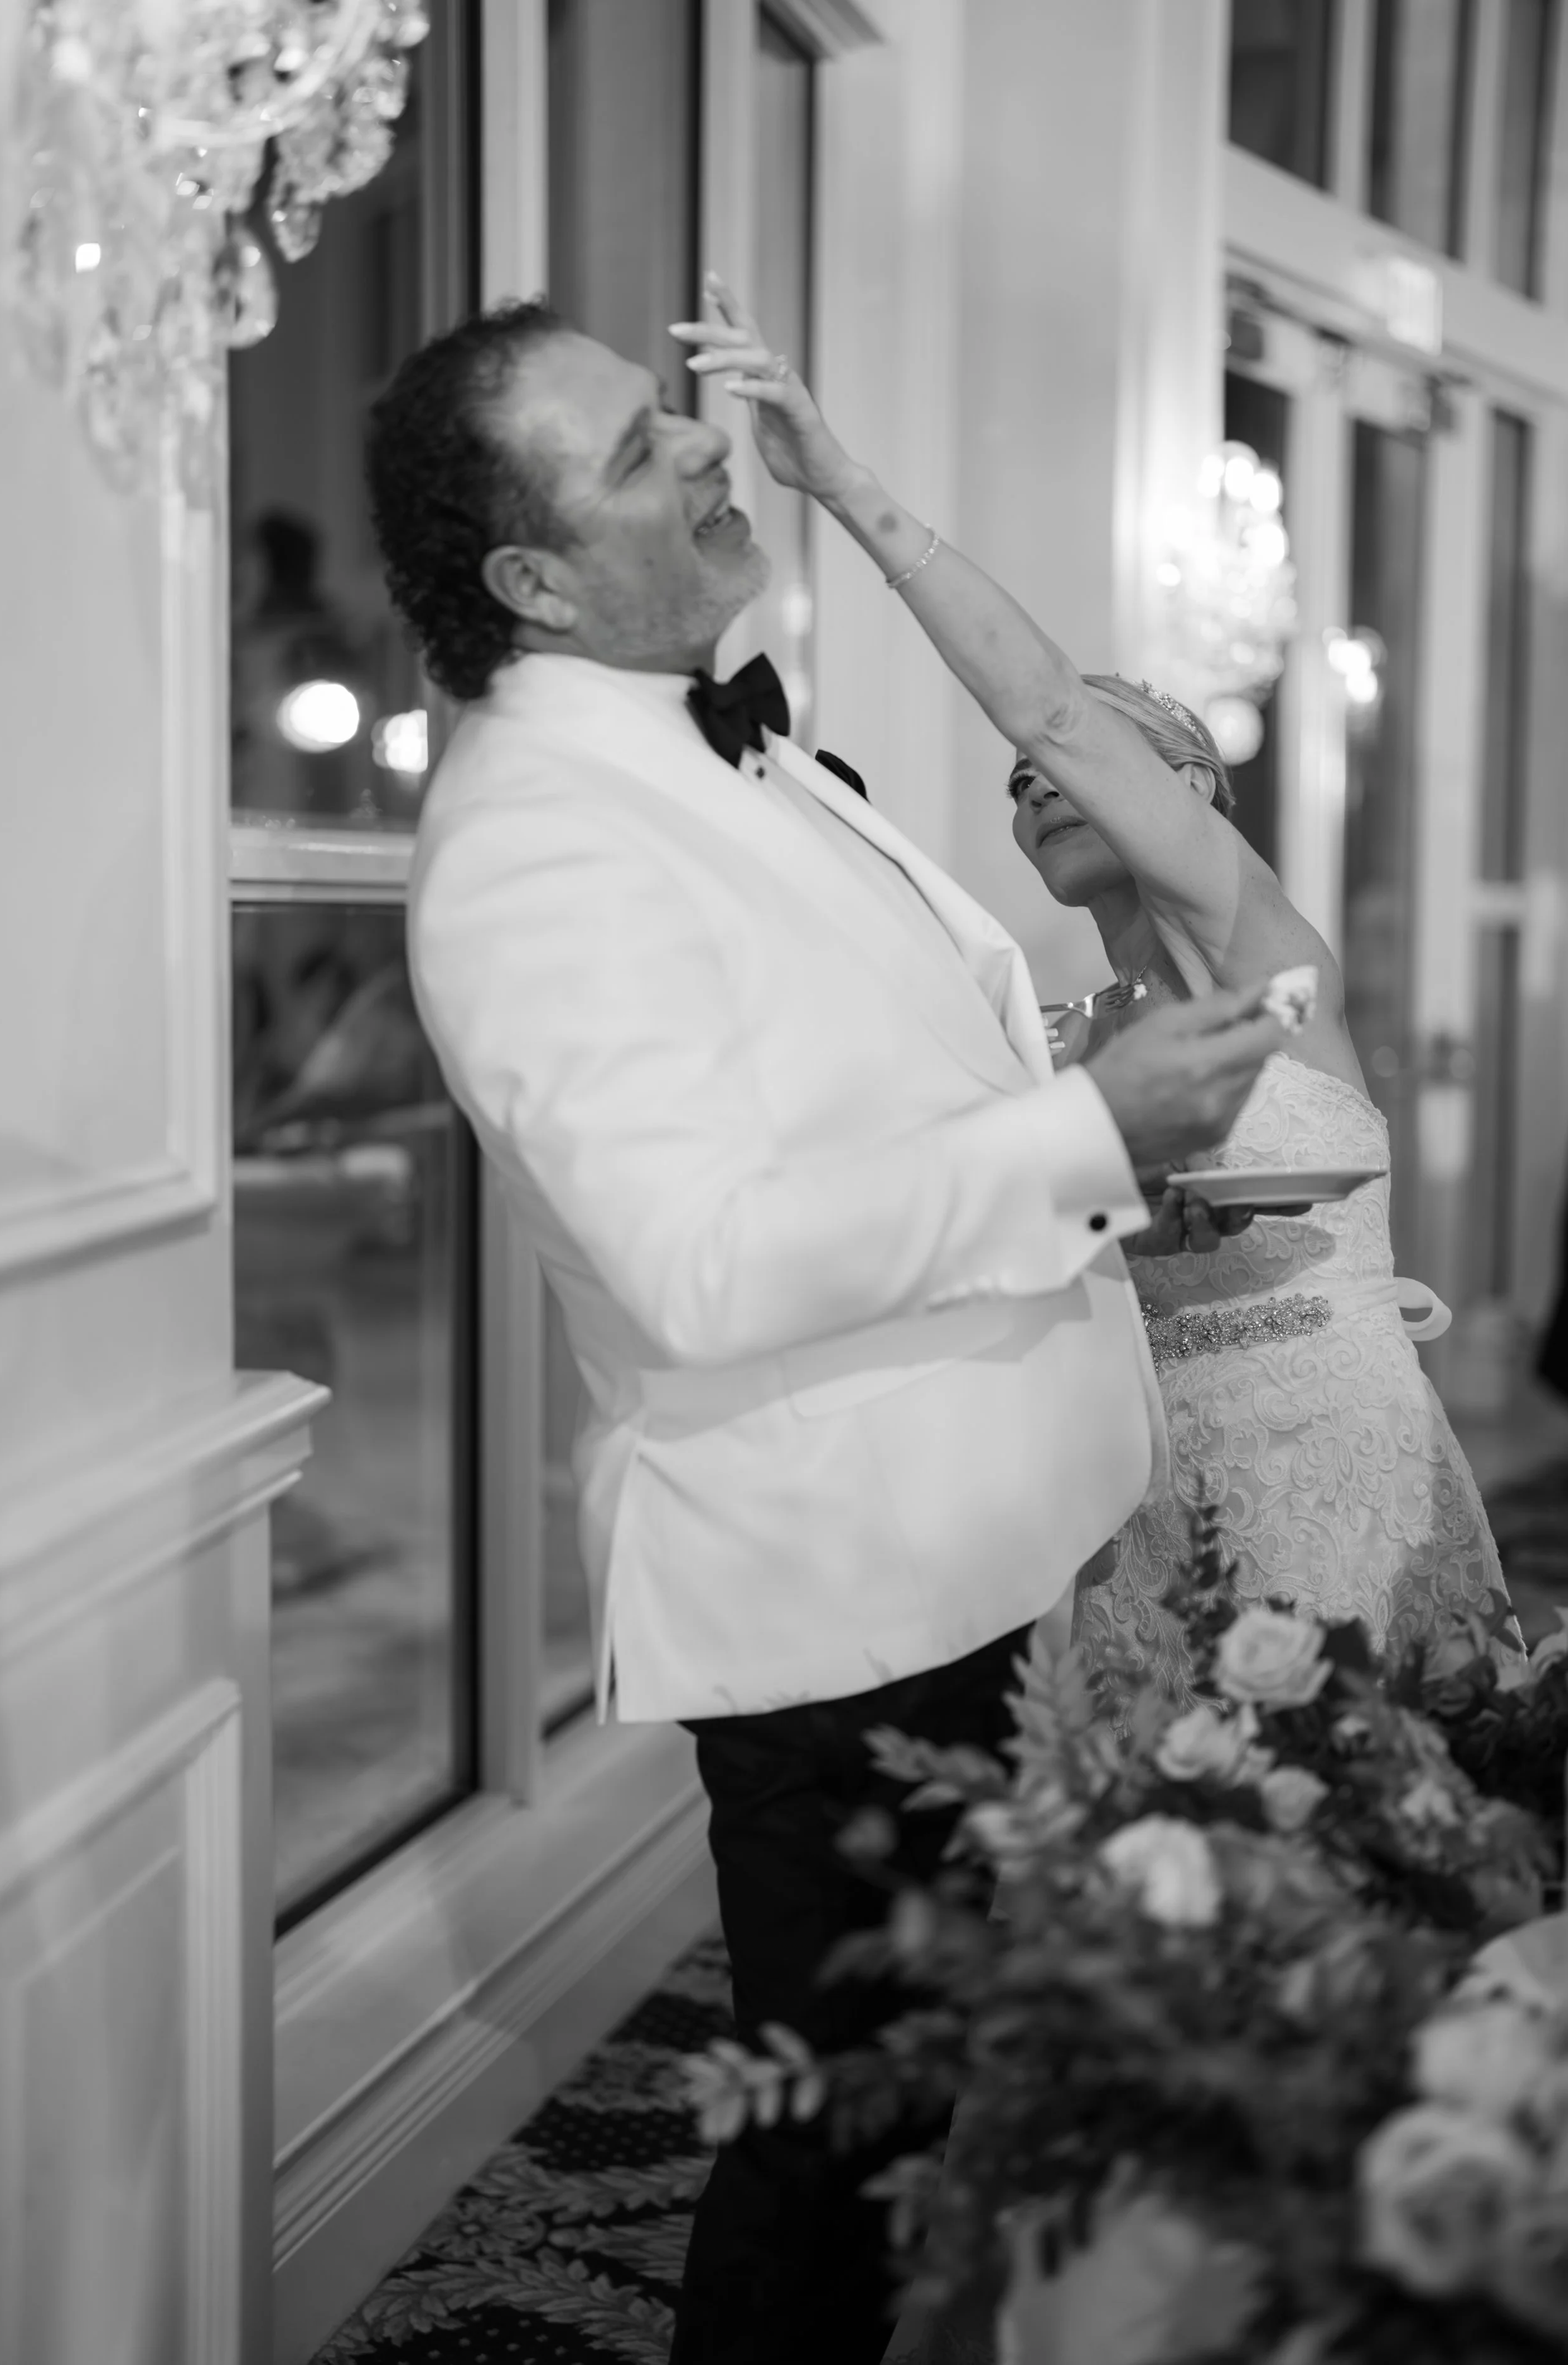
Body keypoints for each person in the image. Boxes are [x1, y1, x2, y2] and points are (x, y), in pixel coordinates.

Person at [364, 296, 1284, 2364]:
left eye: (673, 414)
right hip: (860, 1601)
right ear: (529, 578)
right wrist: (1081, 1132)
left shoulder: (722, 728)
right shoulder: (531, 843)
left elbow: (854, 1077)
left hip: (990, 1539)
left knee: (965, 2108)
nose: (704, 452)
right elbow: (695, 1263)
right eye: (636, 454)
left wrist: (1067, 1091)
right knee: (842, 2156)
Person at [675, 281, 1518, 1698]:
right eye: (1017, 793)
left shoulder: (1253, 940)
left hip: (1329, 1442)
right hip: (1138, 1484)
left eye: (1066, 770)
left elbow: (1045, 707)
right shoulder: (1047, 1037)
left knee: (1352, 1823)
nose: (1032, 787)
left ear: (1187, 789)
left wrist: (843, 488)